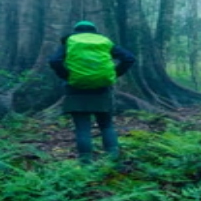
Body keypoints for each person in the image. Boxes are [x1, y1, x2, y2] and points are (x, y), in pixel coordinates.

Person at [48, 21, 135, 161]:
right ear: (94, 30)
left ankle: (86, 163)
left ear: (75, 30)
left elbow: (54, 61)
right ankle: (112, 160)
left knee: (82, 128)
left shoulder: (70, 41)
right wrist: (114, 74)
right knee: (106, 125)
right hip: (102, 88)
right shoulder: (104, 41)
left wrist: (67, 76)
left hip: (76, 88)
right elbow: (129, 58)